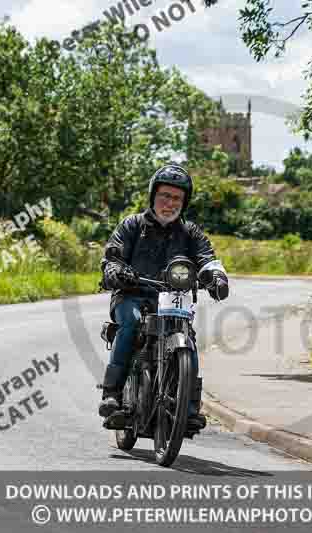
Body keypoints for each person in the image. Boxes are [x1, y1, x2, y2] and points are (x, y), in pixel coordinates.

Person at [97, 164, 229, 432]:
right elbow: (112, 256)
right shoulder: (132, 225)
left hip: (172, 299)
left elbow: (207, 259)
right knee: (131, 324)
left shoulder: (191, 232)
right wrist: (115, 271)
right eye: (165, 196)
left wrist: (217, 278)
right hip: (132, 295)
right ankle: (112, 393)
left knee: (188, 342)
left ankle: (189, 409)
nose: (170, 203)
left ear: (184, 202)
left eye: (177, 198)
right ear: (153, 195)